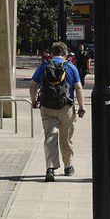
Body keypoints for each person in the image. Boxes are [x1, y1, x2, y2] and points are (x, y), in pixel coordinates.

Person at [29, 41, 86, 182]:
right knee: (66, 138)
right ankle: (68, 166)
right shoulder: (71, 67)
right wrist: (81, 106)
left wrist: (34, 100)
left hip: (47, 107)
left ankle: (50, 168)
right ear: (65, 53)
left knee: (50, 137)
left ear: (52, 53)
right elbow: (79, 88)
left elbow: (33, 85)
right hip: (66, 108)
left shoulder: (44, 66)